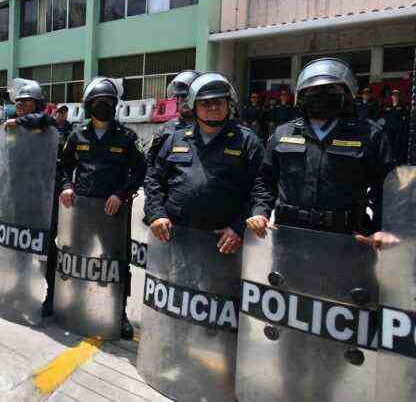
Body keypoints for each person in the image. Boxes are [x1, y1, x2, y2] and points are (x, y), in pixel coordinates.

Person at [248, 58, 396, 249]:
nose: (321, 95)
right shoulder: (283, 133)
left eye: (331, 90)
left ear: (347, 94)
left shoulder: (369, 134)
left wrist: (384, 228)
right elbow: (265, 180)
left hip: (345, 239)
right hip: (289, 237)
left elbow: (387, 187)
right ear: (301, 95)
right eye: (314, 90)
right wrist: (261, 211)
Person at [58, 77, 147, 339]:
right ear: (88, 106)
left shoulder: (127, 137)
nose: (103, 106)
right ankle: (74, 303)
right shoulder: (77, 134)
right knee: (78, 257)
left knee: (115, 263)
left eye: (108, 102)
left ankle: (119, 314)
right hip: (82, 210)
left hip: (113, 213)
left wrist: (122, 194)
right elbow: (63, 165)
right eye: (98, 102)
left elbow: (140, 171)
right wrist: (66, 185)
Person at [144, 72, 264, 250]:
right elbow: (154, 178)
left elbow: (260, 189)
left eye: (219, 102)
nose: (213, 107)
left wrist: (239, 227)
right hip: (175, 236)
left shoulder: (247, 141)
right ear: (194, 107)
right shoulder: (176, 138)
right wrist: (156, 214)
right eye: (206, 103)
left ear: (228, 105)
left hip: (223, 240)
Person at [3, 81, 60, 314]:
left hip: (43, 198)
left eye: (25, 101)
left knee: (44, 248)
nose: (19, 105)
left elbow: (46, 119)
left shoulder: (44, 125)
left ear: (37, 104)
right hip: (20, 194)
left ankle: (52, 293)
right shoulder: (14, 127)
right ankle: (20, 285)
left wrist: (20, 121)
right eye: (17, 102)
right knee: (20, 244)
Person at [381, 88, 409, 164]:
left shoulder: (403, 106)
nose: (395, 97)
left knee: (398, 145)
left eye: (397, 95)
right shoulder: (388, 106)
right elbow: (384, 117)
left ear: (399, 96)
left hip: (399, 129)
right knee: (390, 144)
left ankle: (398, 159)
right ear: (391, 97)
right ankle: (391, 159)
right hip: (389, 129)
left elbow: (406, 117)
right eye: (394, 95)